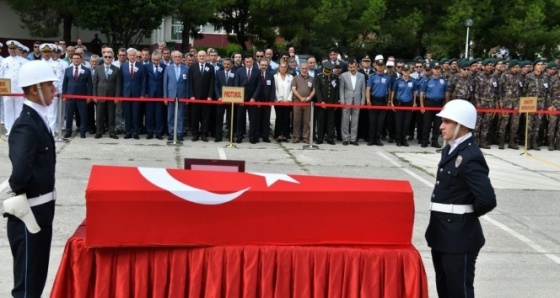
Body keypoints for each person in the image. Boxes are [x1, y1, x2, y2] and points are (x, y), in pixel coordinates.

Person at [425, 99, 497, 298]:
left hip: (459, 236)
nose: (441, 127)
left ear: (462, 125)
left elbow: (487, 199)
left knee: (459, 292)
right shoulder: (451, 149)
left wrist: (463, 217)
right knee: (445, 290)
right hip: (441, 234)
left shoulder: (470, 155)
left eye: (447, 122)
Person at [6, 60, 59, 298]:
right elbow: (20, 175)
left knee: (36, 279)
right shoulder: (26, 126)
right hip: (30, 214)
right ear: (35, 88)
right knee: (27, 285)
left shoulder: (38, 119)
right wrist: (12, 190)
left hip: (42, 210)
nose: (54, 91)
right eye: (50, 86)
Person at [1, 40, 28, 136]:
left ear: (17, 49)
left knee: (19, 109)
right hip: (7, 89)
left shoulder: (24, 62)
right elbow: (1, 75)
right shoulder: (4, 61)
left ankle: (18, 128)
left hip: (19, 90)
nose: (12, 50)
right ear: (8, 50)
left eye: (13, 48)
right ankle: (9, 128)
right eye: (10, 49)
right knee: (8, 109)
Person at [92, 49, 121, 139]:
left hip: (111, 96)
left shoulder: (116, 69)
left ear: (112, 58)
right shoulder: (98, 68)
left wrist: (117, 97)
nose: (107, 58)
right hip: (100, 95)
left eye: (109, 57)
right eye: (105, 57)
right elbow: (95, 83)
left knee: (111, 115)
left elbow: (118, 84)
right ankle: (99, 131)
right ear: (103, 58)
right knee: (99, 115)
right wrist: (94, 95)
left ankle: (111, 131)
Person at [419, 61, 449, 148]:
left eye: (438, 69)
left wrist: (446, 106)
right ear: (432, 70)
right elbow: (422, 93)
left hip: (439, 103)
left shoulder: (443, 81)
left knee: (437, 124)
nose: (437, 70)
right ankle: (425, 140)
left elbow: (446, 93)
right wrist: (422, 105)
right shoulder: (427, 80)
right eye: (435, 69)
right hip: (429, 103)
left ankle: (434, 141)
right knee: (427, 123)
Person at [63, 53, 92, 138]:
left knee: (83, 115)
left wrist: (89, 96)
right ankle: (68, 131)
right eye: (74, 58)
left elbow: (90, 84)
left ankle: (83, 131)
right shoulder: (68, 70)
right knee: (69, 115)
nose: (76, 60)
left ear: (81, 59)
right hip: (70, 96)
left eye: (78, 58)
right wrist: (64, 96)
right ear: (72, 59)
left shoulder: (87, 70)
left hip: (82, 96)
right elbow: (65, 83)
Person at [189, 50, 215, 142]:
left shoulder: (210, 67)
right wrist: (191, 95)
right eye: (200, 55)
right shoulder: (192, 67)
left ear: (206, 56)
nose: (202, 57)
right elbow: (190, 83)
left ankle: (204, 134)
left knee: (205, 117)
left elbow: (212, 83)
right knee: (195, 117)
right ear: (197, 56)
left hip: (206, 97)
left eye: (203, 55)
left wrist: (210, 96)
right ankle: (195, 134)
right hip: (195, 97)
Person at [366, 55, 392, 146]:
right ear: (375, 66)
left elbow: (389, 91)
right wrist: (368, 100)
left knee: (380, 122)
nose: (380, 67)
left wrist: (389, 101)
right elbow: (368, 89)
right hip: (374, 100)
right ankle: (371, 139)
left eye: (382, 65)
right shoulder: (372, 77)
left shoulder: (388, 77)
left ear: (384, 66)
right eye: (378, 65)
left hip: (383, 101)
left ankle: (378, 138)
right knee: (372, 121)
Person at [234, 53, 260, 143]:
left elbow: (258, 86)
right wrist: (239, 98)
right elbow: (237, 85)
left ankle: (252, 137)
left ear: (252, 61)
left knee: (252, 119)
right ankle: (239, 136)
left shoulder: (257, 71)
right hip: (241, 99)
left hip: (252, 99)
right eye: (247, 62)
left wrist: (254, 98)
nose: (248, 63)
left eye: (250, 62)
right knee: (240, 119)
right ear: (244, 62)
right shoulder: (239, 71)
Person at [163, 50, 189, 141]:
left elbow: (187, 84)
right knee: (170, 115)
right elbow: (165, 83)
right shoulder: (168, 68)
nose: (177, 58)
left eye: (179, 57)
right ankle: (171, 132)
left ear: (182, 58)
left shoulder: (186, 68)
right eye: (175, 57)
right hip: (171, 95)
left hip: (182, 96)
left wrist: (186, 98)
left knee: (180, 115)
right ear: (172, 58)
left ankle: (179, 133)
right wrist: (165, 97)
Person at [338, 59, 365, 146]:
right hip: (347, 100)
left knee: (355, 120)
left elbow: (363, 90)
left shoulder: (362, 76)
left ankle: (353, 138)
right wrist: (342, 100)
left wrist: (362, 101)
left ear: (357, 67)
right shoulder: (343, 76)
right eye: (351, 67)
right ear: (348, 68)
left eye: (354, 67)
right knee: (345, 120)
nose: (352, 69)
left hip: (357, 100)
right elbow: (341, 89)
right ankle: (345, 138)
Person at [141, 50, 166, 140]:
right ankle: (150, 132)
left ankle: (159, 132)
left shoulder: (164, 66)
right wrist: (145, 93)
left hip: (160, 94)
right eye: (154, 60)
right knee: (149, 114)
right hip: (149, 94)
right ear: (151, 58)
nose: (156, 62)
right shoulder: (146, 67)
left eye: (158, 60)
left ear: (161, 59)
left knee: (159, 114)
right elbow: (144, 81)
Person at [390, 64, 416, 147]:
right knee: (398, 123)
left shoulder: (412, 81)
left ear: (409, 71)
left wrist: (414, 103)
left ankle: (404, 139)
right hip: (399, 103)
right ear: (402, 71)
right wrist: (391, 102)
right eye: (404, 70)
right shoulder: (398, 81)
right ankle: (398, 140)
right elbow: (393, 91)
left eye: (407, 70)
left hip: (408, 104)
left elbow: (414, 92)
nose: (406, 72)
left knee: (406, 123)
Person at [291, 62, 315, 143]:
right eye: (303, 68)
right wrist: (300, 97)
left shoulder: (312, 79)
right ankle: (296, 137)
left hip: (308, 103)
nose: (304, 70)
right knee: (296, 120)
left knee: (306, 121)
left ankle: (305, 137)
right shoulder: (296, 78)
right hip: (297, 102)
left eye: (306, 68)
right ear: (300, 68)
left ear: (308, 69)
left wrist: (308, 98)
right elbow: (293, 89)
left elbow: (314, 90)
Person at [214, 57, 237, 142]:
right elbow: (216, 86)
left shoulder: (235, 73)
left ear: (231, 65)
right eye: (225, 64)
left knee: (231, 119)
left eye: (228, 64)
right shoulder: (219, 74)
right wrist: (218, 97)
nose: (226, 66)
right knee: (219, 118)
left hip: (231, 100)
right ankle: (218, 136)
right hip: (221, 100)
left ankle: (231, 136)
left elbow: (236, 86)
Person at [253, 58, 275, 143]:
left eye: (265, 65)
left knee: (266, 120)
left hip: (267, 101)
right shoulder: (256, 74)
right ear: (259, 65)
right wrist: (256, 100)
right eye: (262, 65)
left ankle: (265, 136)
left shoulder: (270, 75)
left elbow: (272, 88)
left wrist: (271, 101)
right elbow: (254, 88)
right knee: (257, 119)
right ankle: (257, 136)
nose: (264, 67)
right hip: (258, 101)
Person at [273, 62, 293, 142]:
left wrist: (289, 99)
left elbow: (292, 89)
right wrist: (279, 99)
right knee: (279, 117)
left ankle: (285, 134)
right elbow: (275, 89)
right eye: (282, 67)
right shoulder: (275, 77)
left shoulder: (291, 77)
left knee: (287, 118)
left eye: (285, 67)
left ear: (287, 68)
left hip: (288, 101)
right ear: (279, 68)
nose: (283, 68)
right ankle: (278, 134)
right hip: (278, 101)